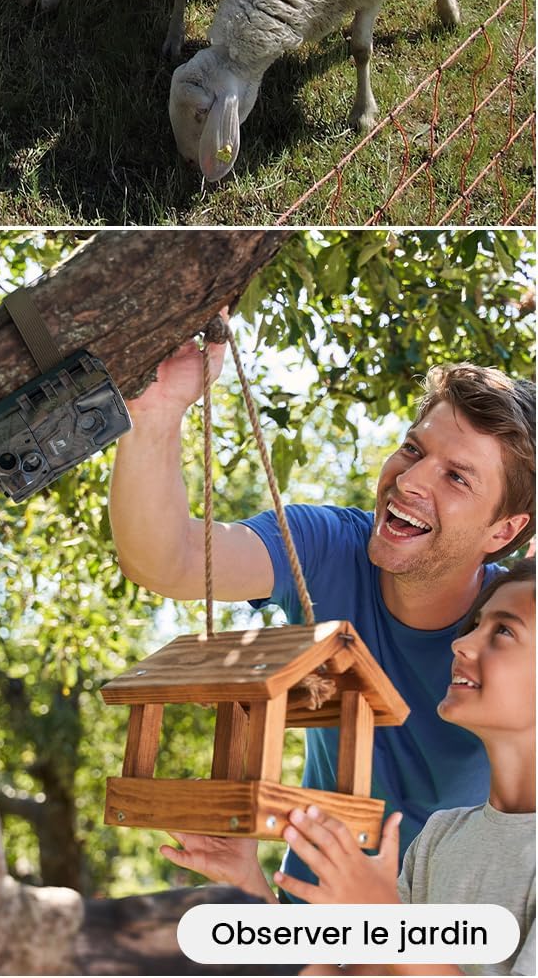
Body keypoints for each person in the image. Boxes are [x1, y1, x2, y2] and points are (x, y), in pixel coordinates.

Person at [109, 336, 534, 894]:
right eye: (412, 449)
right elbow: (170, 560)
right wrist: (156, 413)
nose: (409, 481)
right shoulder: (327, 547)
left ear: (503, 531)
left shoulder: (517, 634)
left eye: (457, 477)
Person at [170, 559, 536, 978]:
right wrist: (245, 882)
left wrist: (386, 918)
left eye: (503, 631)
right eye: (475, 625)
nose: (462, 644)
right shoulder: (440, 836)